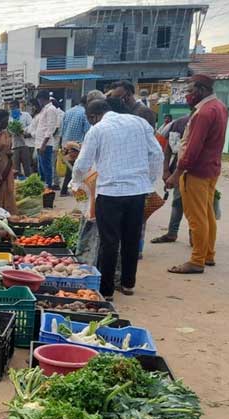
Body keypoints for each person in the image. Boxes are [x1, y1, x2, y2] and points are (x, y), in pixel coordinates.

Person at [72, 99, 163, 300]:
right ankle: (128, 284)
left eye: (90, 120)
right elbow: (157, 154)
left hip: (110, 193)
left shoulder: (97, 130)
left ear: (93, 116)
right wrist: (147, 181)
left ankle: (107, 290)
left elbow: (82, 164)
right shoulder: (139, 123)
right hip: (137, 192)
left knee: (109, 242)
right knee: (132, 238)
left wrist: (76, 183)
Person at [165, 74, 229, 274]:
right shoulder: (219, 107)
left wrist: (177, 174)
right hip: (211, 168)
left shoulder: (203, 113)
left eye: (190, 91)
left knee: (196, 216)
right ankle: (208, 254)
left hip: (197, 171)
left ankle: (197, 260)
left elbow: (192, 149)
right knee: (207, 212)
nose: (187, 95)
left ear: (201, 90)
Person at [151, 113, 191, 244]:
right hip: (181, 169)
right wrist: (167, 170)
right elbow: (169, 147)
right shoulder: (180, 123)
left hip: (198, 171)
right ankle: (174, 233)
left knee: (194, 205)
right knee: (178, 201)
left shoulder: (206, 120)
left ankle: (195, 236)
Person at [59, 96, 92, 195]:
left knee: (71, 169)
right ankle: (71, 191)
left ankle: (66, 190)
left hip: (66, 144)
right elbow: (88, 131)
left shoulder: (68, 111)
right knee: (76, 170)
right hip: (77, 146)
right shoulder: (85, 114)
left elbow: (62, 129)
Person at [33, 89, 59, 189]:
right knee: (41, 167)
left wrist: (43, 144)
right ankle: (44, 185)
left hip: (45, 144)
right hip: (40, 142)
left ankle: (48, 185)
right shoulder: (44, 109)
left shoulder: (51, 109)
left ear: (42, 99)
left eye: (39, 100)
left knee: (46, 167)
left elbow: (50, 128)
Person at [9, 100, 33, 179]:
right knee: (16, 168)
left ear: (18, 106)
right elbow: (8, 129)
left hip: (25, 144)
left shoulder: (26, 115)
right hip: (14, 145)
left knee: (27, 166)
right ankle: (18, 184)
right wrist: (12, 131)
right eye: (10, 107)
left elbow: (31, 126)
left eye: (13, 107)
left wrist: (23, 131)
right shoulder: (9, 117)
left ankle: (29, 181)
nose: (12, 109)